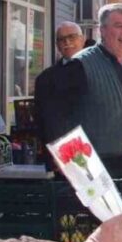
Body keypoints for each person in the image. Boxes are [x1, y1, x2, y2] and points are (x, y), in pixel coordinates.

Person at [57, 3, 122, 178]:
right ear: (102, 30)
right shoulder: (80, 64)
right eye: (119, 26)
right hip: (96, 165)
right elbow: (62, 119)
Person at [34, 21, 85, 152]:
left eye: (72, 37)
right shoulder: (46, 79)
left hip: (102, 152)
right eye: (61, 40)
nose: (67, 42)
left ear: (82, 39)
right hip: (63, 152)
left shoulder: (99, 71)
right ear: (57, 45)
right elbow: (42, 119)